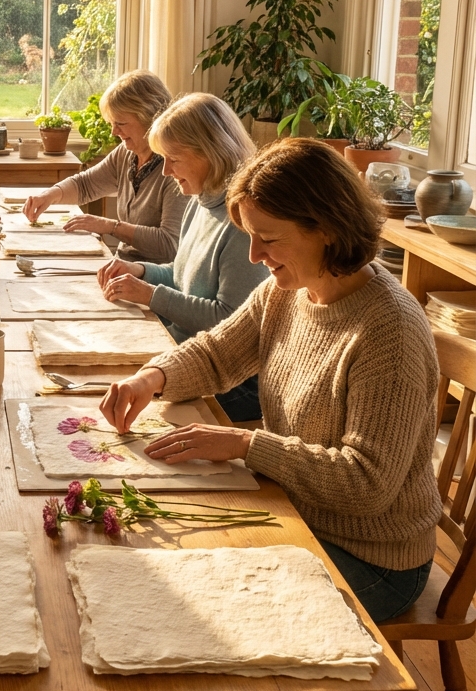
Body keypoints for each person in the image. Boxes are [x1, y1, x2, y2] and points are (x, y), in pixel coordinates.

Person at [100, 137, 439, 624]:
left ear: (325, 228)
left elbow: (366, 484)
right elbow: (218, 353)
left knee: (192, 593)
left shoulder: (389, 331)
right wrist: (150, 378)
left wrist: (244, 444)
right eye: (250, 235)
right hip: (293, 507)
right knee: (156, 549)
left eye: (269, 238)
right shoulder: (292, 289)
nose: (255, 254)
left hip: (373, 558)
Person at [97, 93, 268, 421]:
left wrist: (150, 295)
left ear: (211, 153)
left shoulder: (244, 221)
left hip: (234, 382)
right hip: (190, 354)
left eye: (173, 159)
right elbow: (185, 274)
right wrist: (141, 271)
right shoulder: (201, 199)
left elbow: (229, 321)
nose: (166, 172)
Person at [22, 72, 187, 264]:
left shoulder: (175, 168)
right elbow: (86, 184)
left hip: (153, 281)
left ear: (150, 118)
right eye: (112, 123)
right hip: (122, 268)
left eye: (121, 123)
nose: (114, 132)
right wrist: (50, 195)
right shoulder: (126, 154)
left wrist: (110, 226)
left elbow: (169, 245)